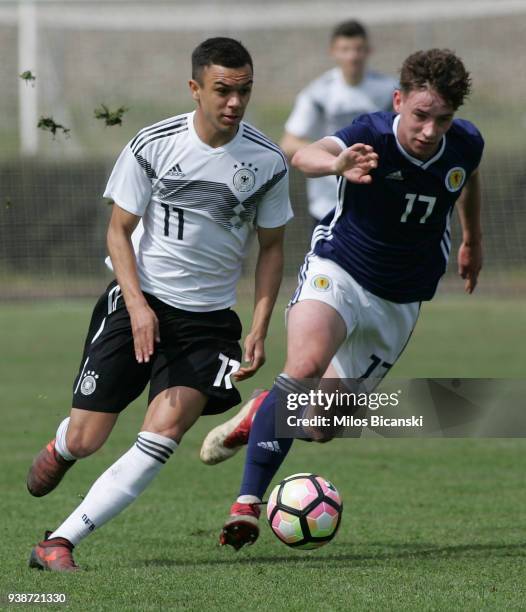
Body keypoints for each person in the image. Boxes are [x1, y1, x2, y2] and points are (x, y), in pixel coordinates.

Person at [26, 37, 295, 571]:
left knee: (163, 433)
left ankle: (58, 542)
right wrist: (138, 306)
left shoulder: (267, 162)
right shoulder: (153, 144)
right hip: (137, 303)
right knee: (88, 438)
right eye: (222, 90)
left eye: (244, 91)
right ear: (195, 89)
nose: (234, 102)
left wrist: (260, 325)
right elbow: (118, 231)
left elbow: (271, 249)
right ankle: (63, 446)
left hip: (210, 324)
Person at [200, 48, 484, 550]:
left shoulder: (464, 143)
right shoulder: (371, 133)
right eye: (420, 115)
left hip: (399, 302)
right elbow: (302, 155)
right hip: (341, 269)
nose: (429, 130)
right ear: (399, 101)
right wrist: (338, 163)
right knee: (303, 365)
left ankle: (263, 410)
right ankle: (246, 504)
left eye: (442, 119)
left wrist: (472, 239)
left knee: (324, 426)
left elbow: (468, 178)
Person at [280, 19, 397, 226]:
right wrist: (331, 154)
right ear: (333, 51)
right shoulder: (318, 93)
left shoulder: (389, 90)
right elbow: (289, 144)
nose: (352, 56)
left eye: (358, 49)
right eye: (345, 49)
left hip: (379, 197)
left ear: (368, 51)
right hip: (328, 203)